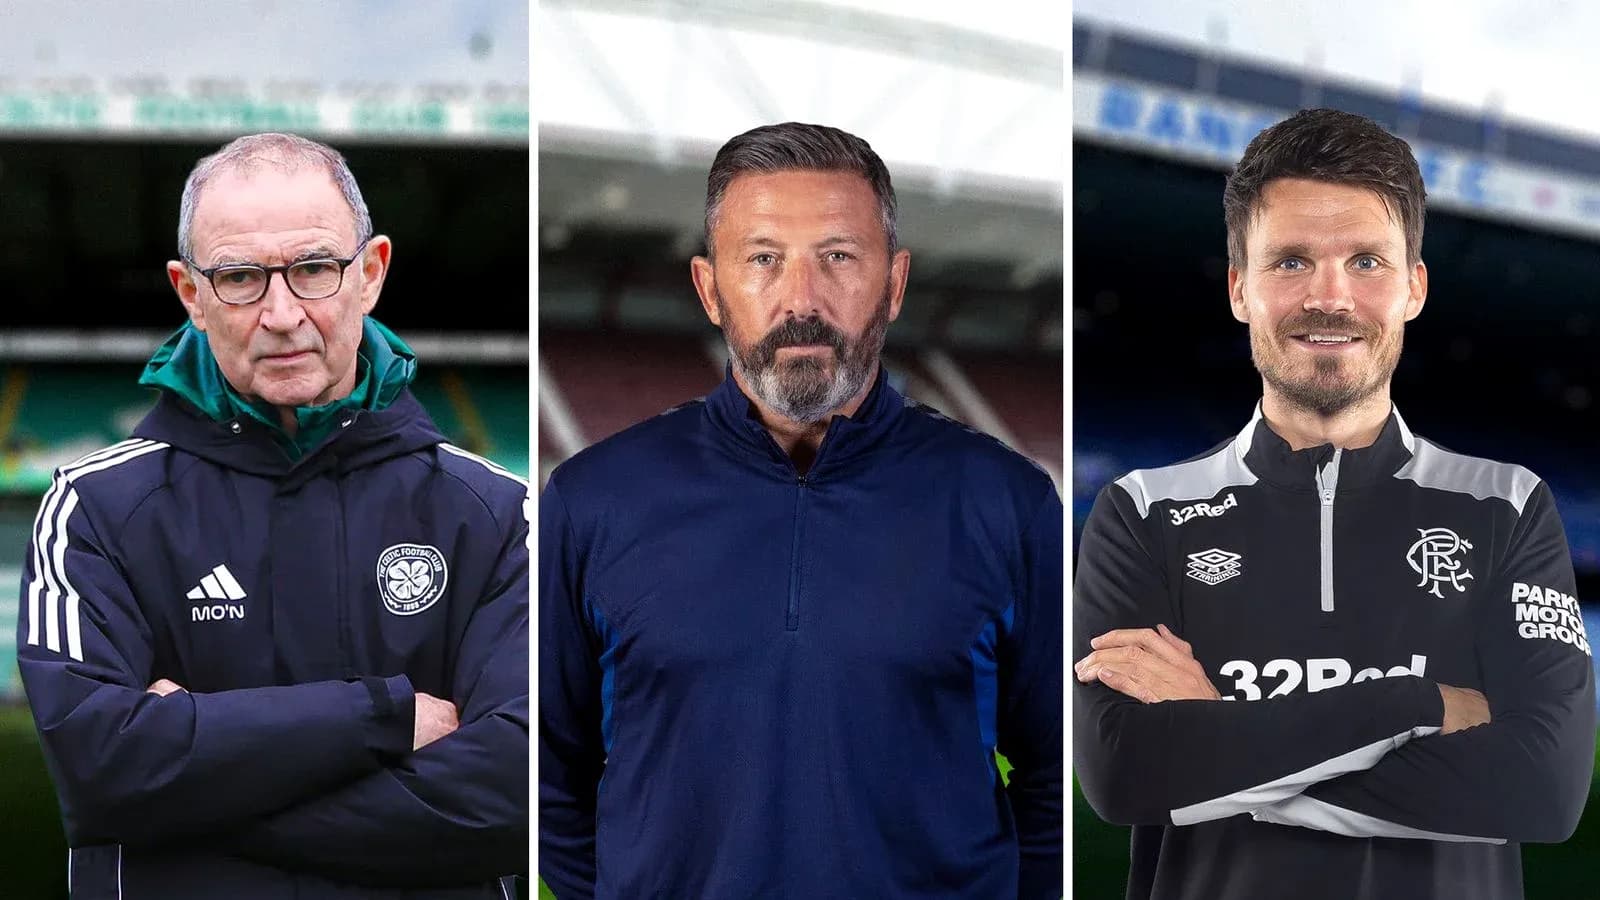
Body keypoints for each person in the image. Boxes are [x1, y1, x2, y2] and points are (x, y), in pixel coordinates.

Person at [1073, 107, 1596, 900]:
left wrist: (1217, 729)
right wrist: (1413, 703)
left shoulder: (1508, 507)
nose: (1330, 297)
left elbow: (1543, 791)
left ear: (1414, 288)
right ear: (1238, 289)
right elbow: (1124, 777)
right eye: (1289, 261)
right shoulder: (1142, 512)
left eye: (1366, 261)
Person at [539, 122, 1063, 899]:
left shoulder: (1006, 501)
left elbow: (1054, 778)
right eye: (762, 260)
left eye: (839, 257)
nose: (802, 299)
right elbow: (550, 779)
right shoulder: (592, 500)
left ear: (895, 282)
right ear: (710, 290)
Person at [15, 132, 529, 899]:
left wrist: (194, 801)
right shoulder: (93, 509)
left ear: (372, 273)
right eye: (240, 278)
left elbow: (519, 787)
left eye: (315, 268)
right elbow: (100, 768)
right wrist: (382, 715)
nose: (282, 314)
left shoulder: (494, 513)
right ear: (190, 293)